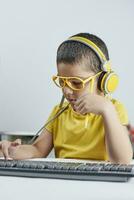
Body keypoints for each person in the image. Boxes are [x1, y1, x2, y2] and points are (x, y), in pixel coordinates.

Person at [0, 33, 133, 164]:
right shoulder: (59, 112)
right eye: (62, 82)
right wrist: (11, 151)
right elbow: (37, 149)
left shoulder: (113, 110)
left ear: (103, 81)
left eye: (76, 83)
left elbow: (122, 161)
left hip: (99, 183)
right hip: (64, 183)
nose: (66, 91)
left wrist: (107, 110)